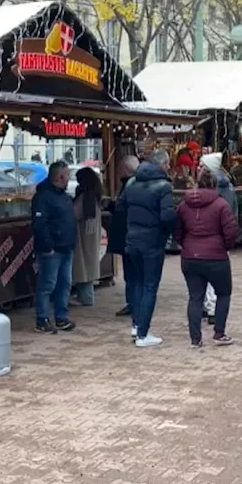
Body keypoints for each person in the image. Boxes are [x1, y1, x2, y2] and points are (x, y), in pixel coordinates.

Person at [118, 149, 177, 347]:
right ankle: (143, 333)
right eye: (168, 164)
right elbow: (168, 216)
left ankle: (136, 325)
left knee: (136, 283)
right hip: (152, 242)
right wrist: (166, 233)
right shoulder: (164, 186)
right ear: (163, 165)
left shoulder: (132, 182)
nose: (169, 168)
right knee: (150, 286)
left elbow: (120, 207)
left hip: (132, 239)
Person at [175, 166, 238, 347]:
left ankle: (196, 339)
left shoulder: (183, 205)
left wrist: (184, 244)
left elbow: (177, 230)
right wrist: (225, 246)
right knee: (223, 293)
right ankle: (219, 333)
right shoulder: (221, 205)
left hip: (190, 256)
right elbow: (230, 231)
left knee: (195, 297)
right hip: (216, 257)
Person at [31, 162, 77, 334]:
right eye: (67, 175)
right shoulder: (43, 197)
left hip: (66, 248)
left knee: (65, 284)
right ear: (60, 177)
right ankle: (42, 319)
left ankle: (61, 317)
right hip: (51, 249)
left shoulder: (64, 197)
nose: (69, 179)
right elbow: (39, 224)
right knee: (47, 284)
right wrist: (47, 246)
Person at [198, 152, 237, 320]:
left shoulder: (220, 189)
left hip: (214, 238)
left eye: (201, 165)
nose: (198, 168)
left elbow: (227, 216)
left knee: (212, 279)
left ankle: (212, 308)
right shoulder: (226, 187)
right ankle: (208, 306)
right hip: (215, 239)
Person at [109, 155, 140, 318]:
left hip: (130, 236)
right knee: (132, 272)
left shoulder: (131, 185)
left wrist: (112, 206)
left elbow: (124, 209)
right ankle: (133, 302)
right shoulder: (132, 184)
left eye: (120, 167)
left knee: (133, 272)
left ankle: (135, 303)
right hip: (132, 235)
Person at [72, 167, 104, 307]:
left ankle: (85, 298)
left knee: (82, 268)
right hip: (91, 237)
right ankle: (87, 296)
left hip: (82, 238)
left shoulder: (84, 198)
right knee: (88, 267)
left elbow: (74, 214)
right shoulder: (95, 197)